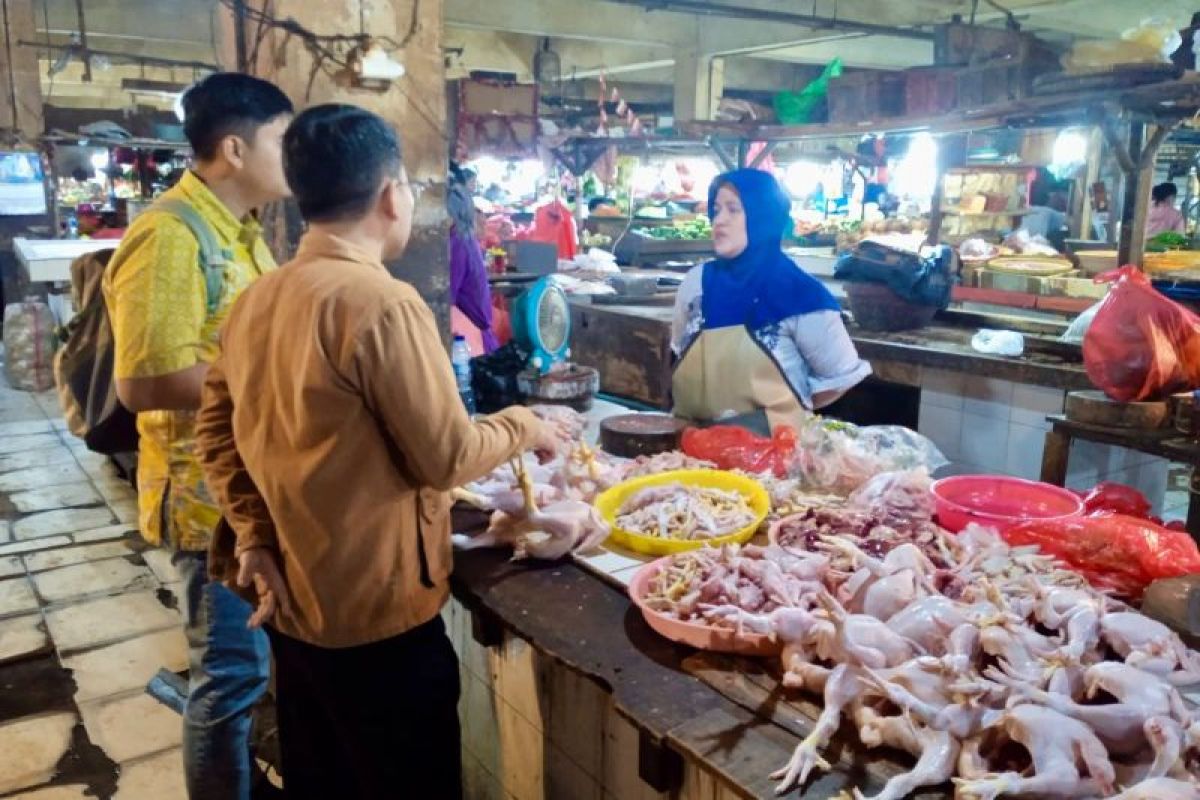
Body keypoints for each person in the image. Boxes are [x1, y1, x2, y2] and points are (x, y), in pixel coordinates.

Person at [194, 104, 558, 800]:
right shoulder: (381, 304)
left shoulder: (258, 298)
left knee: (323, 780)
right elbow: (447, 457)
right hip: (379, 626)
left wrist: (251, 535)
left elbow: (215, 431)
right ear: (392, 195)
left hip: (295, 607)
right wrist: (524, 423)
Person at [102, 72, 293, 800]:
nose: (294, 153)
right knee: (229, 681)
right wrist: (271, 380)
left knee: (246, 674)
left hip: (246, 490)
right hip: (205, 502)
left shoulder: (241, 235)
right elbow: (144, 382)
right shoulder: (172, 234)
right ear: (235, 148)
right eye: (283, 138)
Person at [671, 168, 870, 434]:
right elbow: (678, 348)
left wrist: (789, 408)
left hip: (768, 458)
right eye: (716, 210)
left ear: (762, 217)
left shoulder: (802, 294)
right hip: (690, 445)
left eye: (733, 209)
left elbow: (841, 376)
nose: (719, 220)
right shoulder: (695, 284)